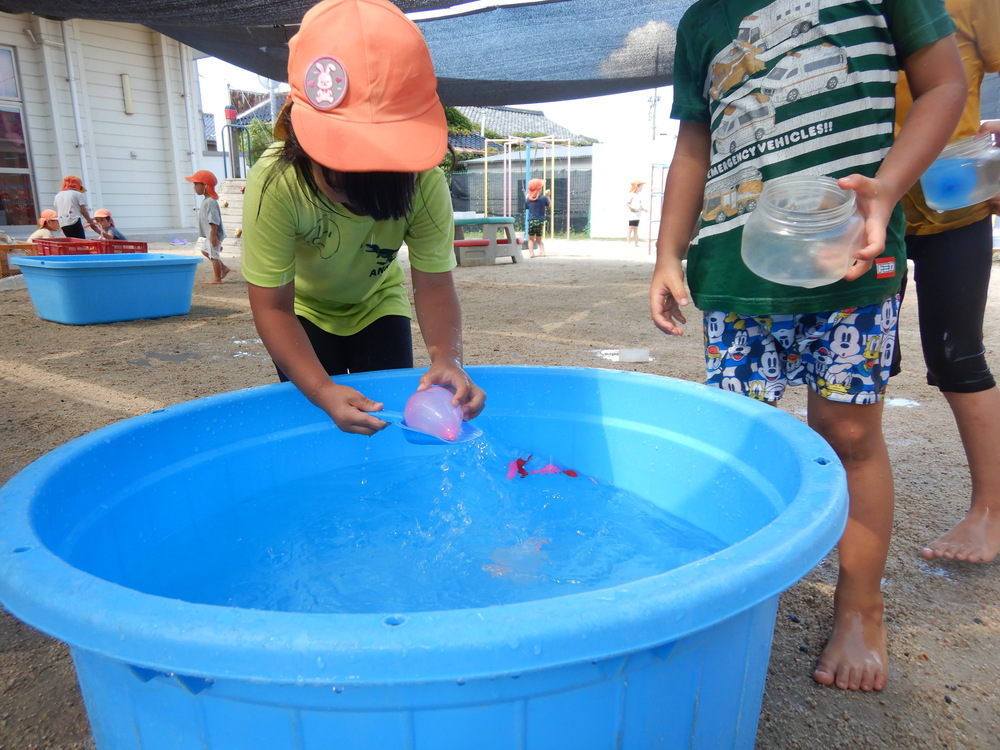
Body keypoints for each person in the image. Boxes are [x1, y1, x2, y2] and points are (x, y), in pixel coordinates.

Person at [649, 0, 965, 693]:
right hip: (734, 273)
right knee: (736, 442)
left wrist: (885, 190)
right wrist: (668, 252)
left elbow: (945, 82)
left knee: (851, 436)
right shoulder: (702, 23)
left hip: (851, 263)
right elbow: (694, 145)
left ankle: (860, 607)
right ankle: (733, 595)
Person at [240, 0, 486, 436]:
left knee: (384, 417)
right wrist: (320, 389)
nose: (359, 207)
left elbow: (432, 281)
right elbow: (273, 306)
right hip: (302, 312)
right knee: (322, 417)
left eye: (381, 192)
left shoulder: (424, 182)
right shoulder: (276, 182)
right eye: (341, 182)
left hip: (377, 304)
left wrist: (448, 357)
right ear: (301, 142)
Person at [893, 0, 1000, 564]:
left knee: (958, 356)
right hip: (863, 207)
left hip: (952, 203)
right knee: (856, 363)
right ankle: (845, 500)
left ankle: (991, 511)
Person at [185, 169, 230, 284]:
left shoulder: (210, 201)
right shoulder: (207, 200)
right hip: (210, 234)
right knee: (205, 251)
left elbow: (213, 219)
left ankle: (217, 278)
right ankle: (224, 268)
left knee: (214, 255)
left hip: (213, 234)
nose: (194, 187)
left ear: (205, 185)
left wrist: (214, 236)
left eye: (196, 184)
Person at [524, 178, 549, 258]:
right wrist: (548, 196)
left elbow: (527, 206)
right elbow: (550, 205)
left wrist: (527, 197)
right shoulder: (543, 198)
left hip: (531, 221)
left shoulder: (528, 199)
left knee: (530, 239)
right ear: (539, 189)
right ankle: (542, 252)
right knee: (539, 239)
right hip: (540, 221)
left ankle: (531, 253)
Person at [625, 180, 646, 246]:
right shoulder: (631, 195)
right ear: (637, 186)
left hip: (638, 215)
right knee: (630, 228)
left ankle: (636, 243)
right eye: (641, 186)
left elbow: (640, 205)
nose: (642, 188)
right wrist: (633, 208)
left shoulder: (638, 195)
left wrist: (643, 209)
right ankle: (628, 242)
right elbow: (627, 203)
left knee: (636, 229)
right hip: (632, 215)